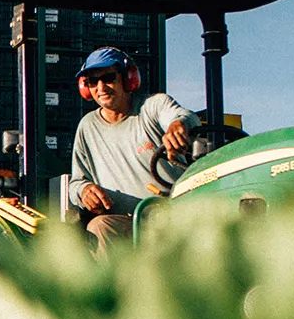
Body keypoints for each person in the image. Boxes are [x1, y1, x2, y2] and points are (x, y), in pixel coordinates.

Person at [68, 47, 198, 251]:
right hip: (130, 223)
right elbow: (76, 181)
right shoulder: (87, 126)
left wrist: (178, 126)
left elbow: (183, 116)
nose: (101, 88)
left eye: (109, 78)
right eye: (93, 82)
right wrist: (84, 191)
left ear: (128, 79)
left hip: (173, 215)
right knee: (100, 227)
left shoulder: (152, 107)